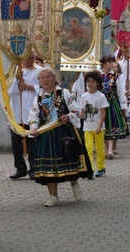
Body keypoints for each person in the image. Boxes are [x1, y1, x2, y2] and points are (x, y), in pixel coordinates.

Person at [28, 67, 92, 206]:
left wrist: (68, 117)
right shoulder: (38, 97)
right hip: (46, 135)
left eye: (48, 77)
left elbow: (76, 110)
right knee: (49, 166)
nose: (45, 80)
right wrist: (34, 128)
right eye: (42, 78)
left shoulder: (64, 93)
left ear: (54, 78)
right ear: (39, 81)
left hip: (64, 132)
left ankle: (74, 185)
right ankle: (53, 196)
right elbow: (33, 115)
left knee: (68, 160)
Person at [7, 51, 42, 179]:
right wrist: (17, 83)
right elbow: (7, 89)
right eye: (28, 58)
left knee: (32, 140)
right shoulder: (16, 70)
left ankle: (34, 168)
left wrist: (28, 87)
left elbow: (44, 87)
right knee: (16, 140)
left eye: (33, 58)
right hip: (17, 110)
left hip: (31, 110)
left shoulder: (40, 71)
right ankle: (20, 168)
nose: (31, 61)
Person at [78, 70, 108, 177]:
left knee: (99, 149)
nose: (90, 84)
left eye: (93, 81)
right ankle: (90, 168)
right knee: (88, 148)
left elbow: (103, 112)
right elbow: (81, 113)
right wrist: (80, 114)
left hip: (98, 127)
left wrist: (100, 126)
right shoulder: (83, 97)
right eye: (88, 81)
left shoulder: (101, 96)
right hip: (87, 127)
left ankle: (101, 167)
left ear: (98, 83)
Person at [99, 55, 127, 159]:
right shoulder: (98, 75)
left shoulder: (116, 76)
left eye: (112, 62)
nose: (111, 64)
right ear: (103, 63)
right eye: (109, 62)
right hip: (100, 104)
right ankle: (106, 148)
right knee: (103, 126)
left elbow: (120, 92)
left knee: (111, 126)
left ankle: (110, 149)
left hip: (112, 103)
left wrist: (123, 106)